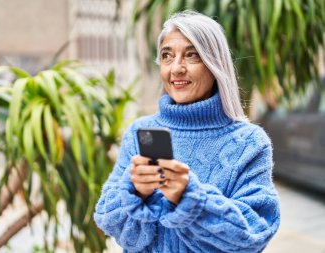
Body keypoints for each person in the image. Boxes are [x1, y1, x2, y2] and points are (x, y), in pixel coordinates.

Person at [94, 10, 280, 253]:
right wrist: (136, 192)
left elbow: (254, 233)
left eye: (192, 55)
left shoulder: (250, 143)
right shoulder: (140, 132)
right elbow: (107, 219)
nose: (176, 68)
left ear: (215, 64)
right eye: (167, 56)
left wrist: (192, 199)